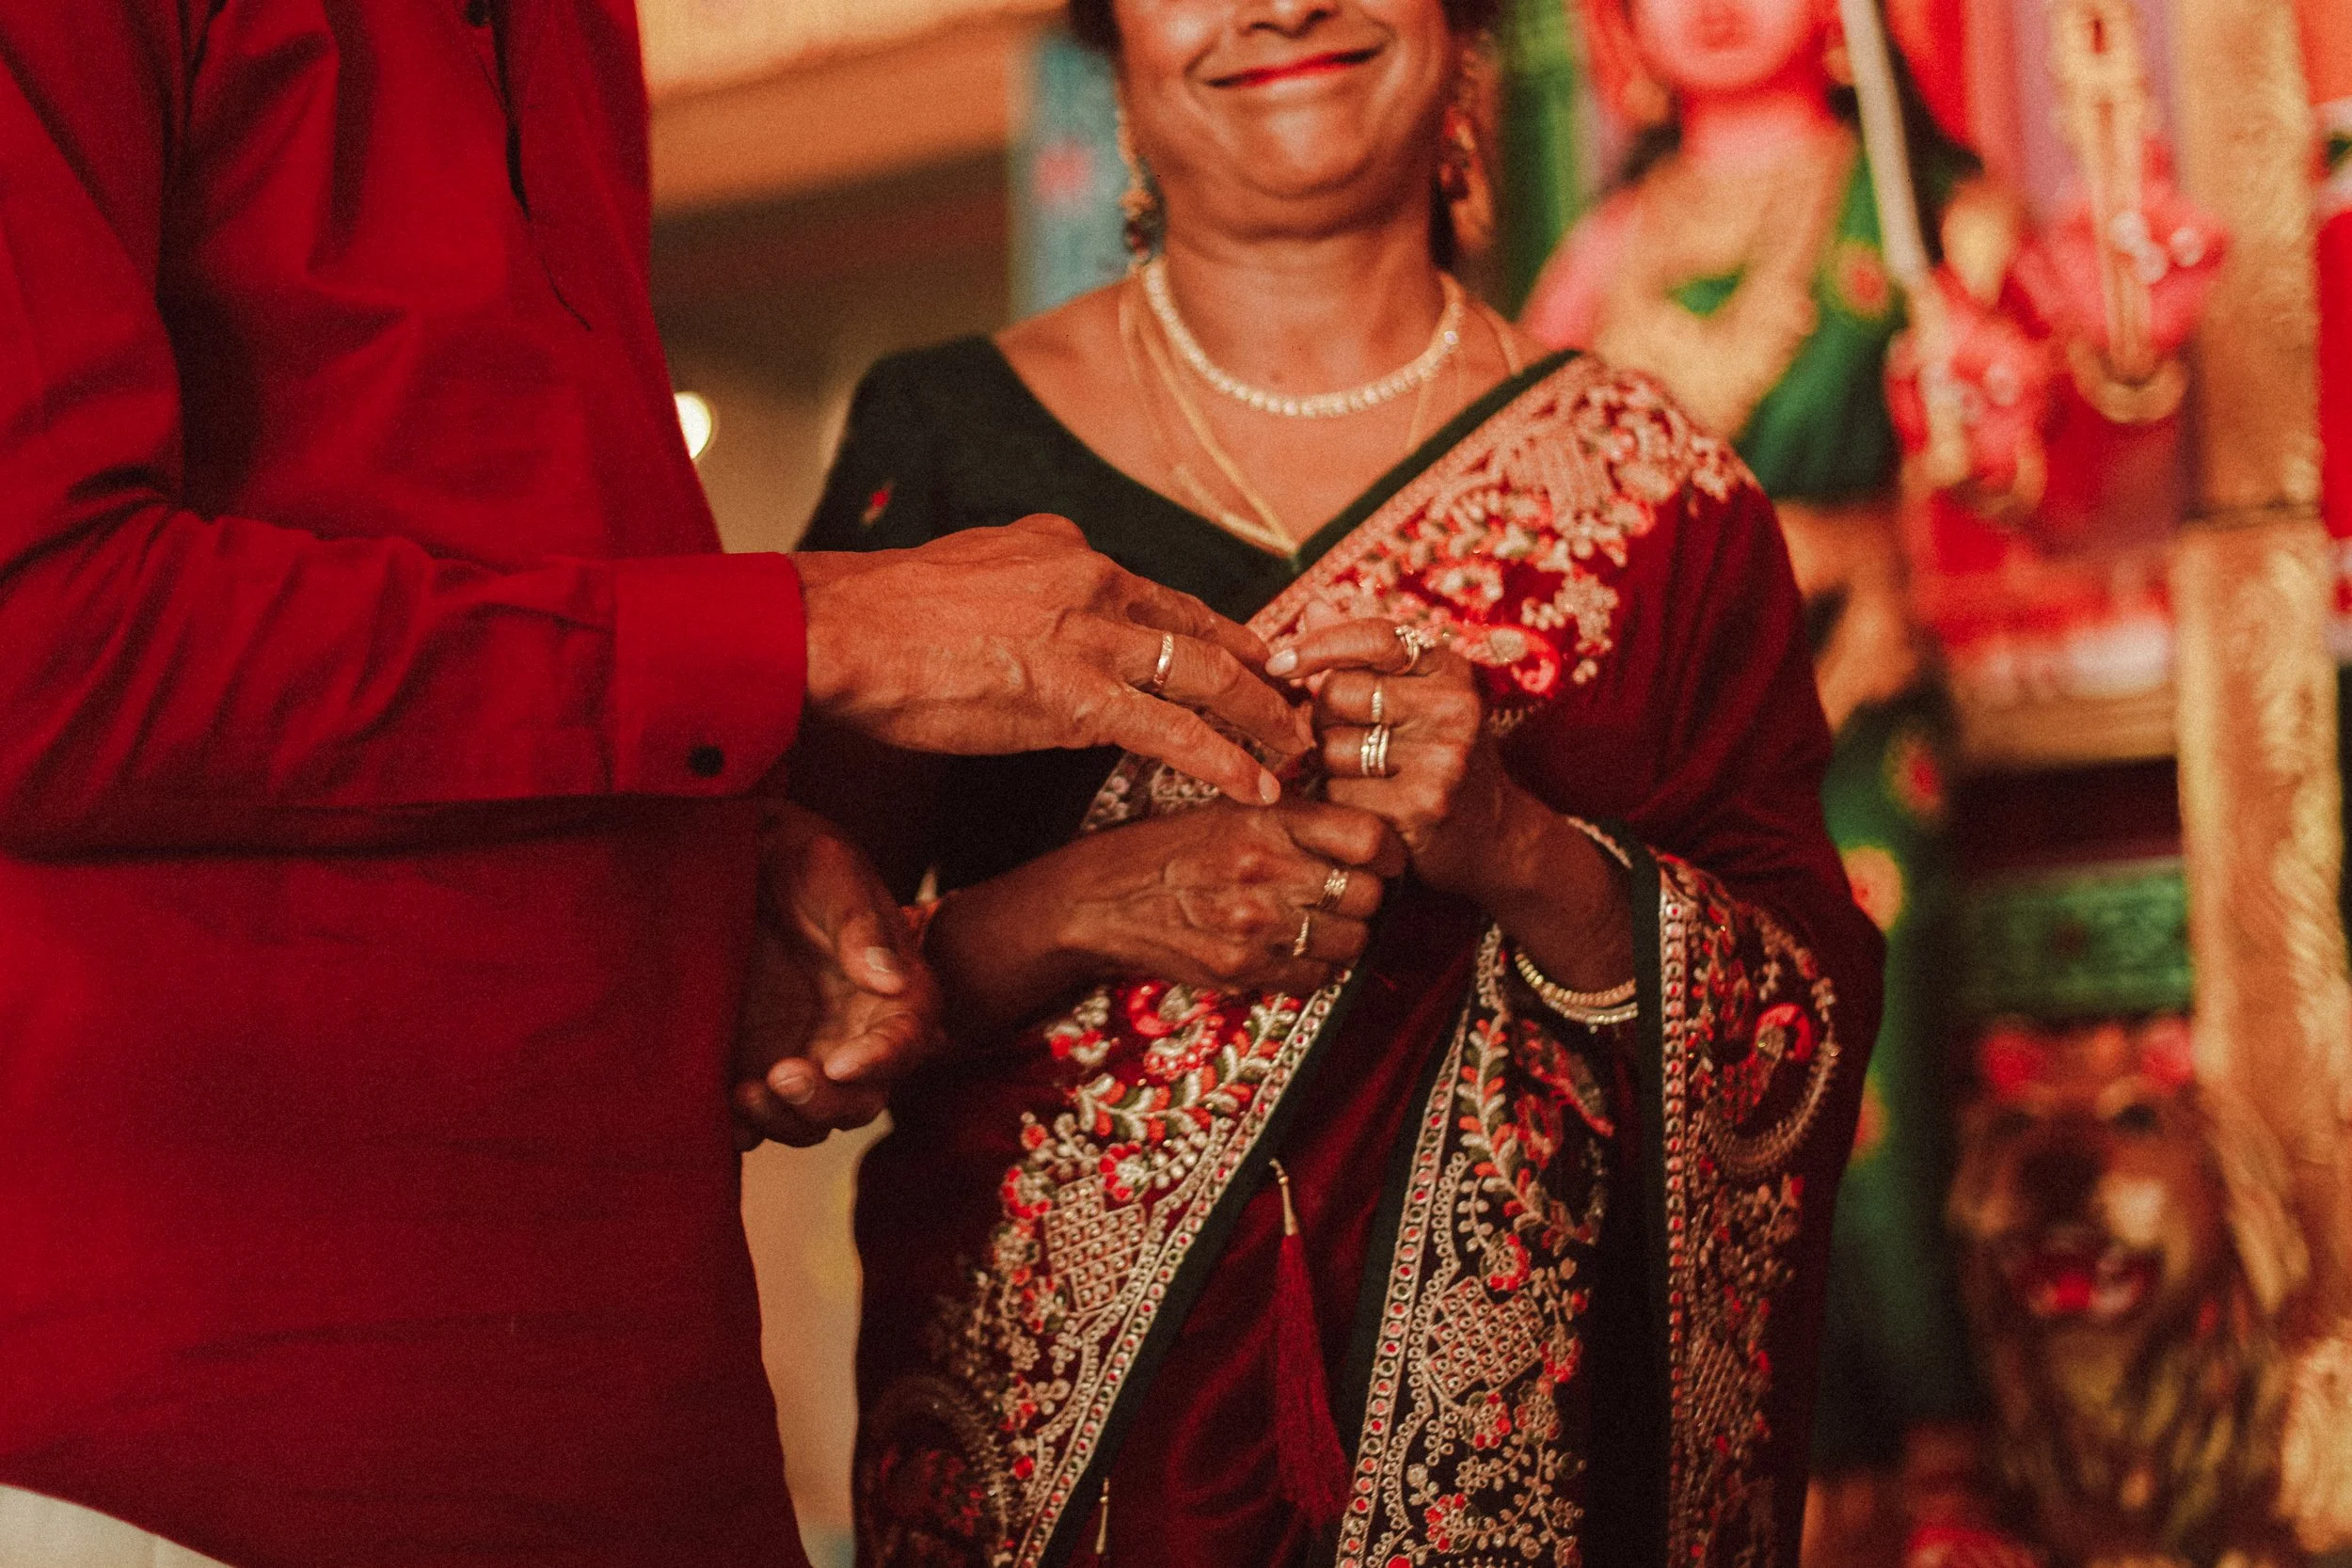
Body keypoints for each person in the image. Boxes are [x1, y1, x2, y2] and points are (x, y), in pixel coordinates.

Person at [0, 5, 1312, 1567]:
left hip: (634, 1393)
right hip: (216, 1421)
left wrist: (710, 850)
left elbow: (470, 567)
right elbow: (39, 640)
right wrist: (801, 632)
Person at [794, 1, 1884, 1563]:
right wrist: (1080, 909)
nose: (1281, 3)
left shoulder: (1658, 494)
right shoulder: (944, 444)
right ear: (1109, 53)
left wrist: (1516, 846)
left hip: (1517, 1480)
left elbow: (1803, 1026)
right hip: (1068, 1467)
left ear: (1466, 41)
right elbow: (791, 1005)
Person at [1518, 0, 1987, 1487]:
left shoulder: (1926, 216)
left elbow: (2044, 453)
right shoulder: (1602, 248)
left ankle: (1947, 1464)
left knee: (1880, 1096)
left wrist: (2017, 392)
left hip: (1859, 709)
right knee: (1689, 1117)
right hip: (1666, 746)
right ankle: (1786, 1483)